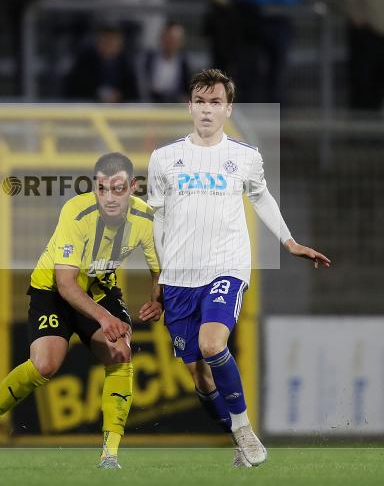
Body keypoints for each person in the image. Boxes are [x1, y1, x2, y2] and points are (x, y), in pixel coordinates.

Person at [147, 69, 330, 467]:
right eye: (201, 101)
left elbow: (262, 199)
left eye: (216, 102)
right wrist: (159, 274)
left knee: (214, 345)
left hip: (226, 267)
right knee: (200, 375)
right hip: (179, 277)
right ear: (189, 106)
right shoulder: (163, 159)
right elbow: (156, 219)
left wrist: (290, 242)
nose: (207, 110)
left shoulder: (245, 157)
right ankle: (236, 437)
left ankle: (245, 429)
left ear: (228, 108)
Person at [0, 153, 162, 470]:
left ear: (133, 186)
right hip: (53, 289)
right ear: (95, 187)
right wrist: (104, 317)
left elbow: (159, 270)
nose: (110, 197)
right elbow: (66, 283)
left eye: (118, 188)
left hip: (99, 288)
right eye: (102, 189)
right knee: (45, 365)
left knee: (120, 352)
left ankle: (109, 455)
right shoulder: (77, 212)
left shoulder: (146, 220)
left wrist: (158, 300)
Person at [65, 25, 138, 102]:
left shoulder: (128, 64)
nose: (109, 45)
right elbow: (73, 90)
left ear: (120, 44)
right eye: (105, 41)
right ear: (98, 43)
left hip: (120, 109)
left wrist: (119, 96)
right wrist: (97, 95)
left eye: (113, 42)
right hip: (89, 107)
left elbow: (134, 93)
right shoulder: (84, 63)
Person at [139, 21, 192, 103]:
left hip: (174, 103)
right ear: (162, 38)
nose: (172, 43)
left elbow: (188, 88)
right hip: (151, 101)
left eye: (176, 40)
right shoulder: (148, 59)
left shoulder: (184, 63)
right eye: (169, 38)